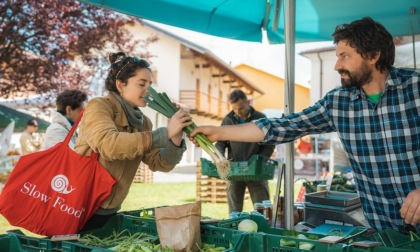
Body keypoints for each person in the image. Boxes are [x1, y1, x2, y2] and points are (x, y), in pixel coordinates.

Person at [190, 17, 420, 233]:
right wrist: (218, 131)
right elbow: (284, 126)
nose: (337, 65)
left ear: (373, 55)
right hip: (382, 231)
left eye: (345, 56)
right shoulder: (338, 102)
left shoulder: (415, 88)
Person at [75, 52, 192, 231]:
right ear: (121, 85)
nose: (148, 90)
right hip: (78, 207)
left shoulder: (143, 122)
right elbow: (109, 145)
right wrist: (164, 133)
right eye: (141, 84)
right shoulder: (99, 106)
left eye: (150, 85)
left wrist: (175, 135)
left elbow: (159, 164)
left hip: (110, 212)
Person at [216, 89, 275, 214]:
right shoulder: (228, 120)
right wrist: (220, 157)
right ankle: (234, 229)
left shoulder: (260, 118)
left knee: (262, 209)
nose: (238, 112)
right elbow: (220, 142)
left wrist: (259, 159)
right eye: (234, 109)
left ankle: (263, 230)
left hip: (256, 171)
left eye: (241, 108)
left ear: (248, 102)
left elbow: (269, 143)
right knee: (234, 211)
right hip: (234, 171)